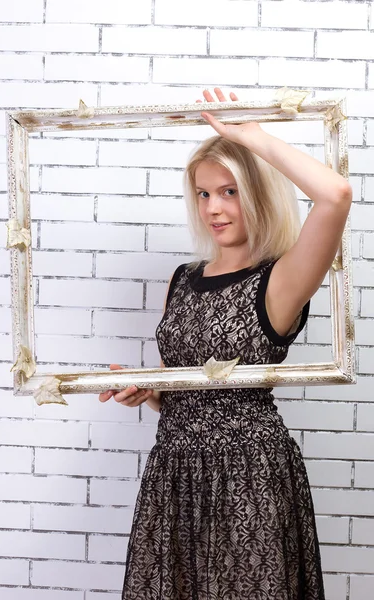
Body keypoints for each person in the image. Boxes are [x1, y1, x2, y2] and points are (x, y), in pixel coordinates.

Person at [99, 88, 352, 599]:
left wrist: (253, 139)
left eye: (230, 191)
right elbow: (184, 392)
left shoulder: (279, 281)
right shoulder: (183, 278)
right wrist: (148, 390)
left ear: (257, 192)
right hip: (174, 472)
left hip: (250, 474)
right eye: (204, 193)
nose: (214, 208)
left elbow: (335, 195)